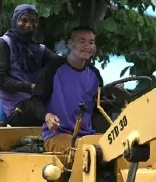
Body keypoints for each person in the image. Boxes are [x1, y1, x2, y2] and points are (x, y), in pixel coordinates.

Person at [32, 26, 104, 154]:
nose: (87, 46)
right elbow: (36, 100)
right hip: (57, 135)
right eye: (82, 41)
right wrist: (47, 116)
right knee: (85, 152)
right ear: (70, 44)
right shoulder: (54, 69)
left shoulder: (95, 75)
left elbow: (100, 108)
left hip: (87, 135)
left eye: (91, 42)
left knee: (115, 150)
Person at [0, 4, 60, 126]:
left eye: (33, 21)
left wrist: (80, 54)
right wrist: (32, 87)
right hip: (16, 109)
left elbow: (61, 64)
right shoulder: (3, 43)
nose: (29, 25)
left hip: (37, 102)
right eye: (23, 20)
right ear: (14, 21)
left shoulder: (39, 49)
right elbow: (0, 80)